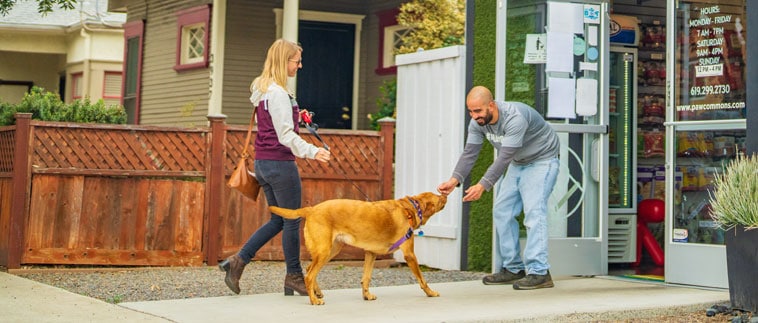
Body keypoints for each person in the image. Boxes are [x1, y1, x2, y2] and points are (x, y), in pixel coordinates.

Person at [219, 39, 331, 296]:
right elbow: (285, 136)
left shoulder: (265, 90)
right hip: (280, 165)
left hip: (263, 164)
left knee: (278, 220)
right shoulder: (279, 94)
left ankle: (237, 262)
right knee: (292, 221)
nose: (300, 66)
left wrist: (296, 113)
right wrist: (314, 152)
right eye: (296, 61)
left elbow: (273, 125)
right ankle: (294, 276)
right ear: (284, 61)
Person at [437, 86, 560, 290]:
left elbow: (504, 157)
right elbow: (470, 152)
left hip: (542, 160)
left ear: (491, 105)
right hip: (518, 163)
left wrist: (483, 185)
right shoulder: (478, 123)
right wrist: (454, 180)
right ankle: (513, 268)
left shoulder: (515, 117)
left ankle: (539, 272)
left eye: (478, 111)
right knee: (502, 211)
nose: (474, 116)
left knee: (534, 214)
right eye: (470, 111)